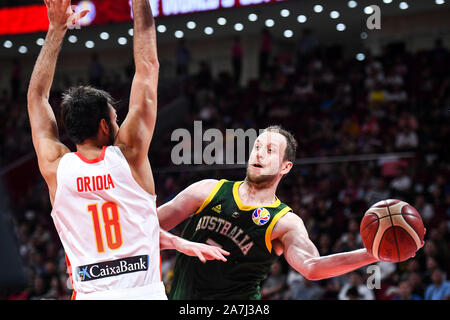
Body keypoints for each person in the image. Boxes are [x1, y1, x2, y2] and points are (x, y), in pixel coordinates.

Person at [26, 0, 227, 300]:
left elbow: (37, 97)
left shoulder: (55, 167)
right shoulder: (129, 155)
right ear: (105, 126)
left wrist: (56, 29)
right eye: (116, 118)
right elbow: (148, 68)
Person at [158, 125, 425, 299]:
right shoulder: (207, 191)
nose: (259, 153)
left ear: (285, 167)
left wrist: (371, 254)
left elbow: (312, 268)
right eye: (257, 147)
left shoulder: (285, 222)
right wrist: (178, 243)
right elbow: (143, 227)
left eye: (270, 150)